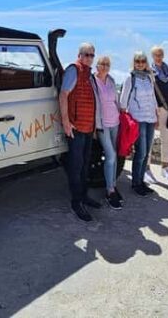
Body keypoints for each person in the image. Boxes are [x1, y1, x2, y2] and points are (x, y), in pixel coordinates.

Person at [59, 43, 103, 222]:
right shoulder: (74, 70)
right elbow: (63, 95)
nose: (89, 57)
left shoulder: (89, 75)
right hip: (75, 127)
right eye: (86, 54)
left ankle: (84, 196)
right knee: (76, 167)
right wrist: (66, 122)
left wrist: (93, 128)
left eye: (92, 55)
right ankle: (76, 202)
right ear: (79, 54)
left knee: (85, 166)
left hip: (87, 128)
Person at [120, 51, 160, 197]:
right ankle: (136, 183)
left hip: (149, 118)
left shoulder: (149, 78)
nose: (140, 64)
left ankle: (141, 181)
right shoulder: (130, 78)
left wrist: (156, 115)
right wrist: (125, 119)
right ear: (134, 62)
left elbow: (153, 97)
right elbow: (123, 100)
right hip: (138, 119)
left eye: (143, 61)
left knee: (147, 152)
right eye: (137, 61)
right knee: (141, 152)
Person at [94, 56, 124, 210]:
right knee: (110, 156)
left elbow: (116, 101)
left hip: (115, 122)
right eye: (102, 64)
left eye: (107, 64)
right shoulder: (93, 81)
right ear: (97, 66)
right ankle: (109, 190)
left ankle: (113, 185)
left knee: (115, 155)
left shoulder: (111, 80)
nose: (105, 66)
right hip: (102, 124)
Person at [151, 45, 168, 183]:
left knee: (166, 139)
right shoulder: (149, 71)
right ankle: (147, 169)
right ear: (152, 56)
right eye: (156, 54)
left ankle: (165, 167)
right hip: (154, 109)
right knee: (149, 140)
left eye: (160, 54)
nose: (159, 56)